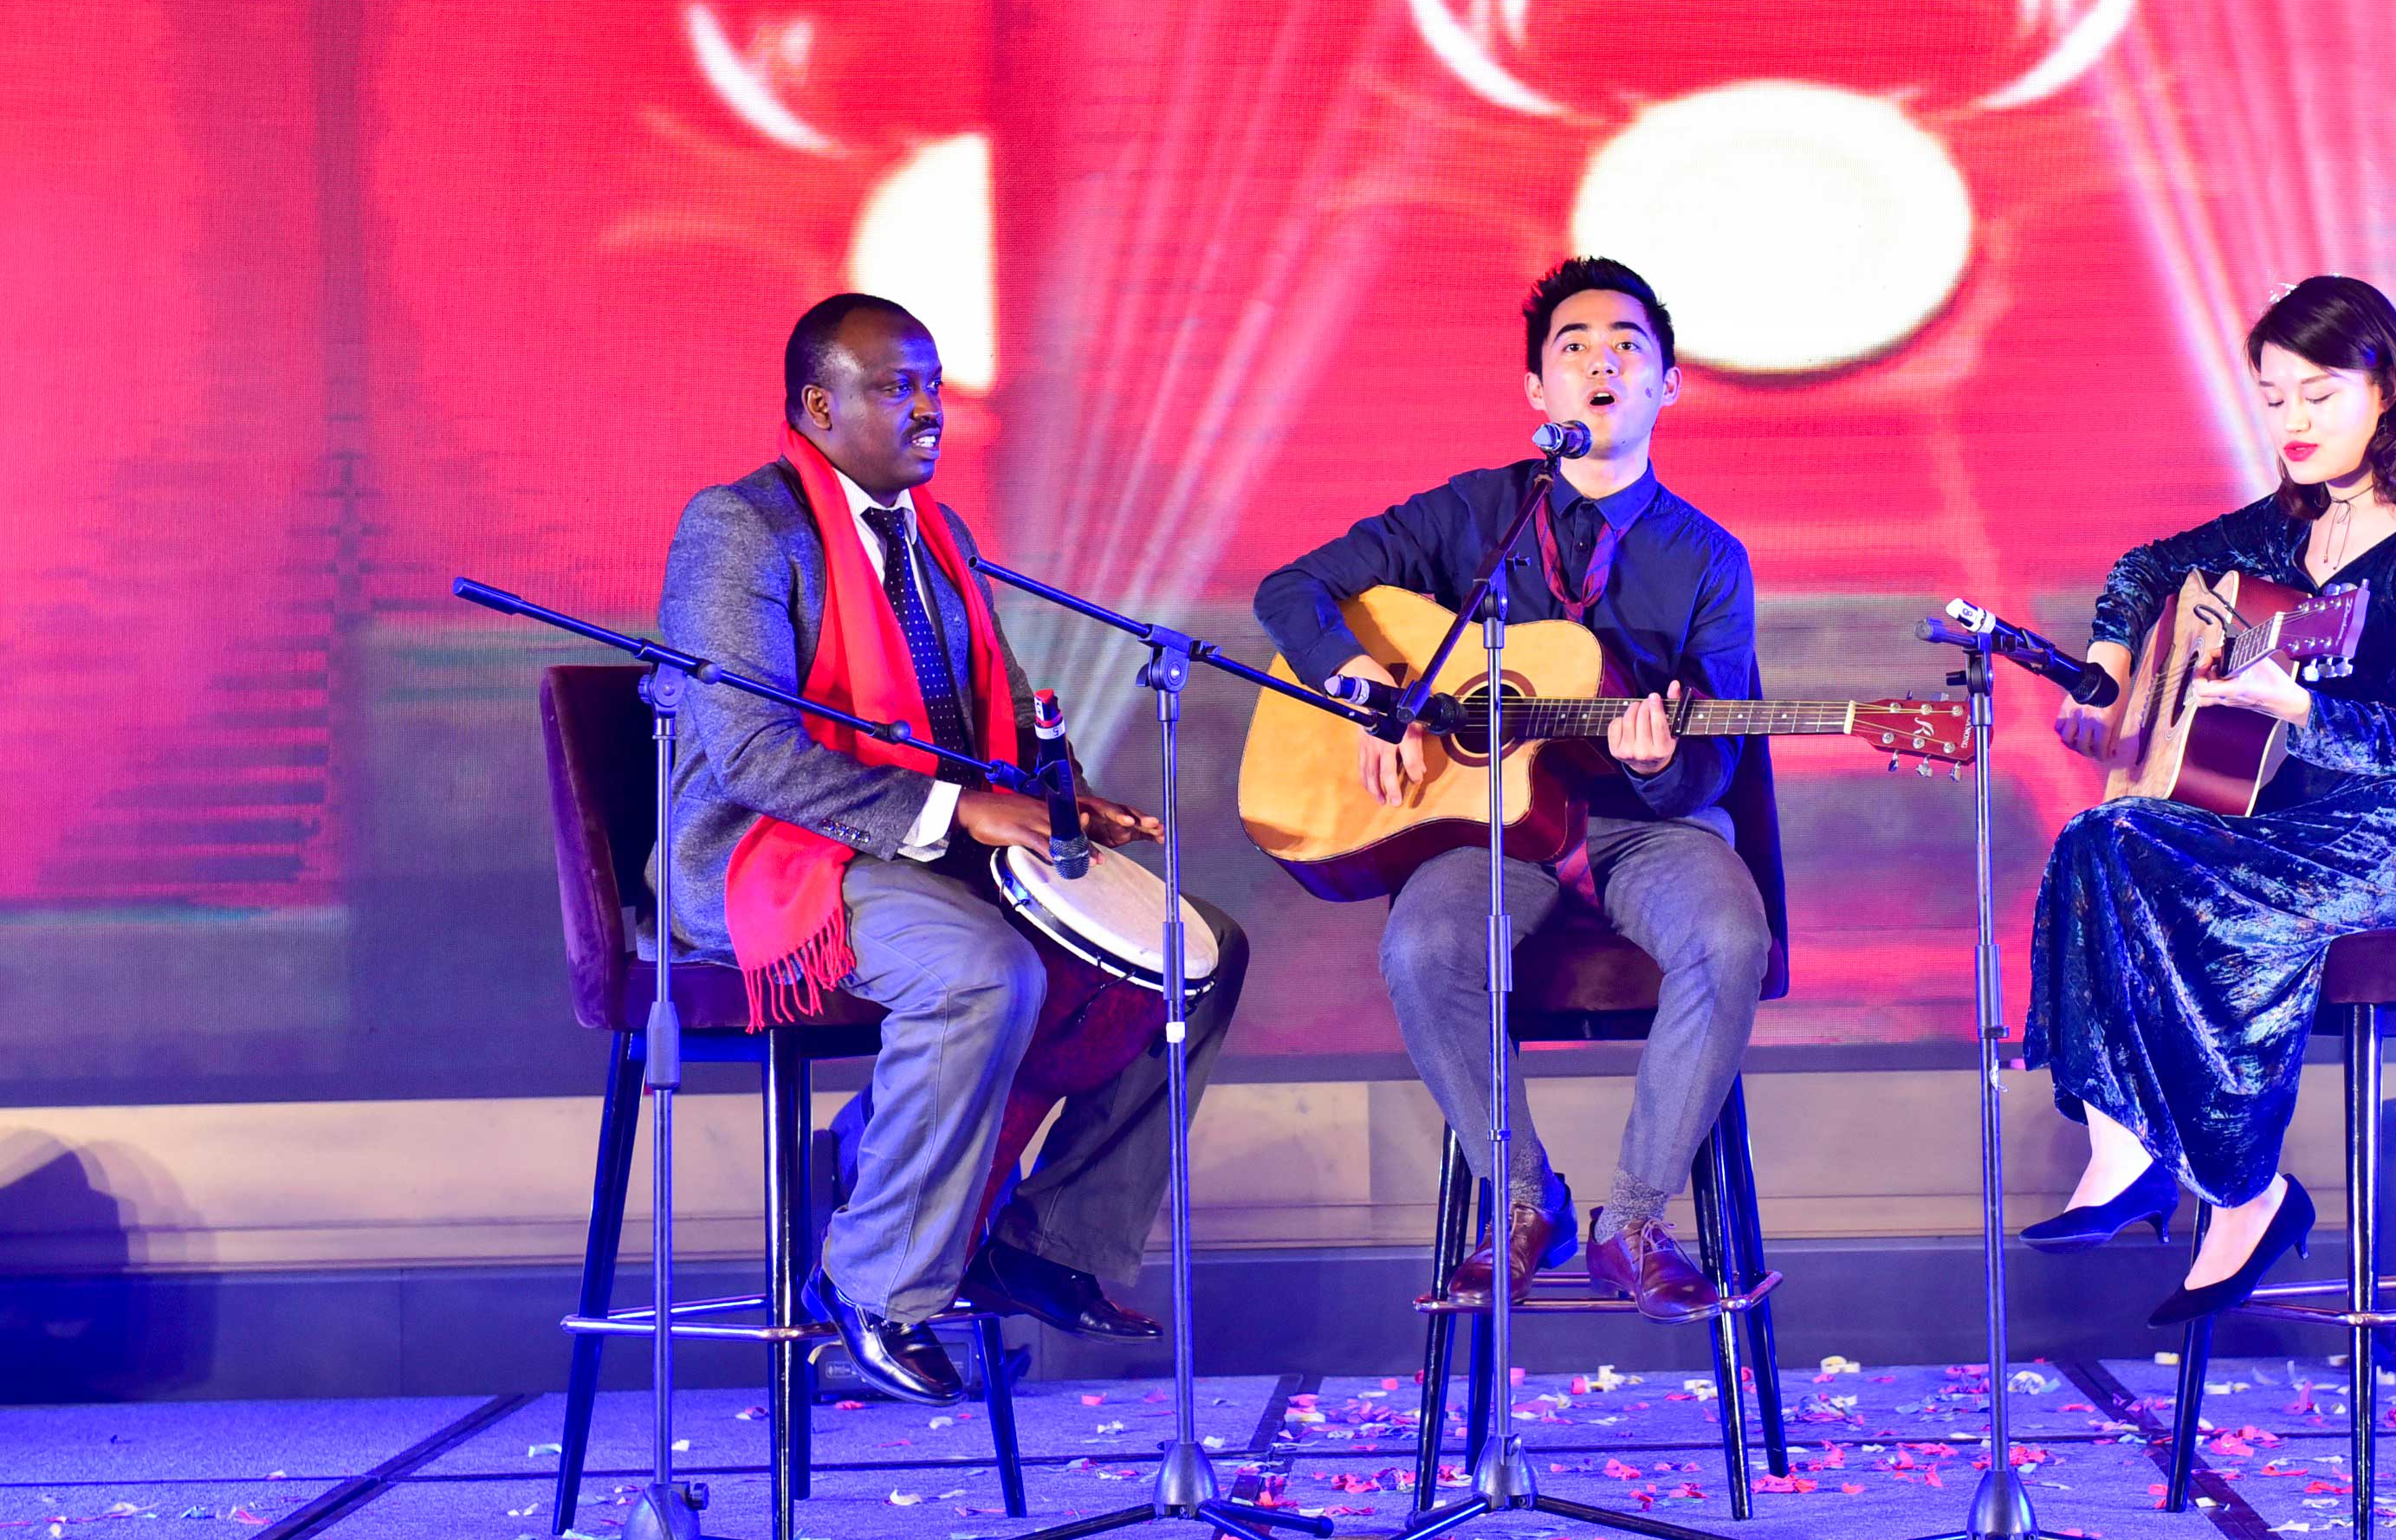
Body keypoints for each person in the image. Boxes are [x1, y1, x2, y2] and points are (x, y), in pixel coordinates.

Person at [657, 292, 1247, 1402]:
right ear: (818, 405)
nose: (929, 408)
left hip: (920, 850)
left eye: (932, 385)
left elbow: (1001, 707)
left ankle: (1048, 1241)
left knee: (1196, 949)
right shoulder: (741, 526)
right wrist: (955, 811)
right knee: (984, 969)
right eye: (898, 387)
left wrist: (1065, 797)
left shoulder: (937, 533)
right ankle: (874, 1282)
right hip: (774, 854)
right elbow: (749, 752)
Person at [1253, 258, 1778, 1322]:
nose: (1601, 362)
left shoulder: (1711, 558)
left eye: (1627, 345)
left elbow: (1714, 762)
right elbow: (1292, 588)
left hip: (1642, 830)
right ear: (1539, 389)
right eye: (1574, 346)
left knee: (1730, 936)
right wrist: (1363, 689)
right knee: (1421, 945)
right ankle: (1525, 1197)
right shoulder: (1473, 514)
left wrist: (1656, 761)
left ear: (1669, 384)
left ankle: (1635, 1218)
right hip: (1483, 833)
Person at [2023, 275, 2396, 1324]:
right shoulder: (2294, 524)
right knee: (2098, 836)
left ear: (2386, 390)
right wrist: (2111, 661)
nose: (2292, 420)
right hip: (2300, 826)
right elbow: (2147, 567)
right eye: (2273, 396)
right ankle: (2135, 1152)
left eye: (2318, 394)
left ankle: (2234, 1184)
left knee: (2135, 849)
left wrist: (2299, 707)